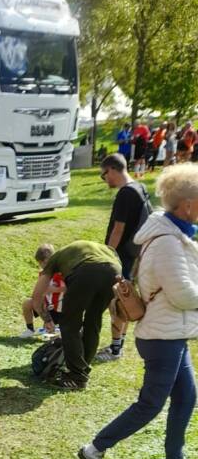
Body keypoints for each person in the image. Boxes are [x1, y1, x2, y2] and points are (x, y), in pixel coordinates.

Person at [77, 164, 198, 459]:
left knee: (187, 396)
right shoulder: (168, 242)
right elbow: (183, 294)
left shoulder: (178, 236)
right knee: (150, 404)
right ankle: (93, 450)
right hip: (162, 337)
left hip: (172, 333)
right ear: (187, 205)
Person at [26, 240, 121, 390]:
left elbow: (37, 296)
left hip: (86, 272)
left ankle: (76, 377)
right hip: (114, 271)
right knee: (93, 321)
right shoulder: (84, 250)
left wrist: (47, 319)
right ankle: (82, 369)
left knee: (69, 324)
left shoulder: (56, 259)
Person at [96, 153, 152, 362]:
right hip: (134, 254)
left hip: (121, 257)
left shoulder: (125, 194)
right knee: (126, 300)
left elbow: (118, 229)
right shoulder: (140, 187)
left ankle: (115, 349)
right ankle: (118, 344)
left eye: (104, 175)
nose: (105, 180)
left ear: (111, 170)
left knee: (118, 303)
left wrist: (107, 254)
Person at [19, 243, 61, 339]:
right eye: (40, 263)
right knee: (27, 303)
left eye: (45, 263)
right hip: (46, 306)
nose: (43, 266)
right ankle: (30, 329)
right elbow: (39, 293)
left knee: (52, 334)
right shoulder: (42, 274)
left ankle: (56, 327)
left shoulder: (60, 273)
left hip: (59, 306)